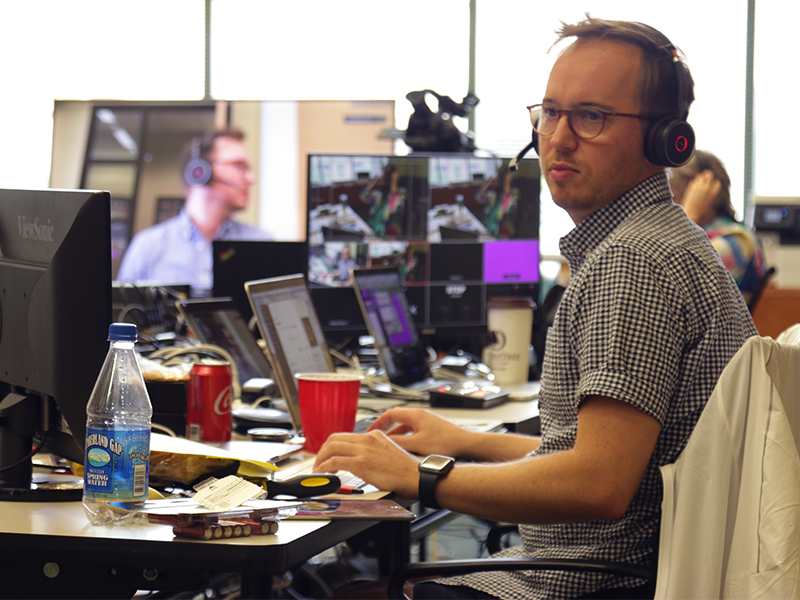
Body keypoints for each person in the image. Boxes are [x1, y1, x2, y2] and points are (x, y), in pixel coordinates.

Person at [314, 16, 757, 600]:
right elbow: (600, 454)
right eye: (550, 112)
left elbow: (599, 483)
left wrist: (418, 476)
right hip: (610, 575)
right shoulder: (664, 240)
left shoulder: (635, 262)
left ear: (664, 139)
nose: (559, 138)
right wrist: (464, 441)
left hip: (577, 586)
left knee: (334, 589)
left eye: (592, 116)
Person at [117, 129, 272, 297]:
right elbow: (122, 315)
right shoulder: (148, 246)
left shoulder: (263, 243)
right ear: (200, 171)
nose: (251, 178)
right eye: (239, 165)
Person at [669, 149, 766, 303]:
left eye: (673, 196)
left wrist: (688, 216)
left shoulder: (735, 241)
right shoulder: (704, 235)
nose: (668, 206)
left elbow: (675, 286)